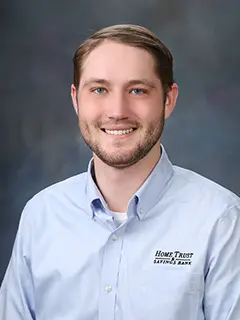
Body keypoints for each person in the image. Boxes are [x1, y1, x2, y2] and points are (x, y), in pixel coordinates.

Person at [0, 24, 239, 320]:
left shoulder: (221, 219)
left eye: (137, 90)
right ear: (76, 99)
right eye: (99, 89)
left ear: (168, 99)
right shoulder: (42, 215)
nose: (117, 110)